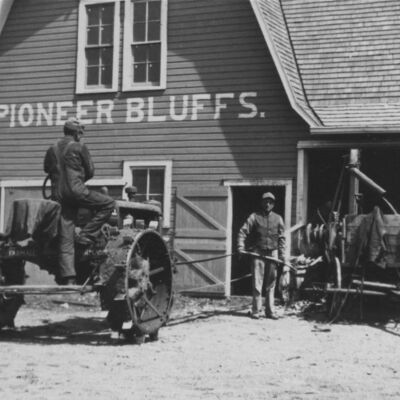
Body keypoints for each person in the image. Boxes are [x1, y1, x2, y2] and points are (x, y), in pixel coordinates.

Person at [43, 118, 115, 285]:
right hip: (77, 191)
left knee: (66, 238)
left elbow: (47, 169)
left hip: (58, 196)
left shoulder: (52, 148)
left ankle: (69, 278)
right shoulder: (79, 147)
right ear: (76, 133)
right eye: (80, 133)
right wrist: (77, 177)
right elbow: (90, 171)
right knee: (108, 204)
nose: (80, 136)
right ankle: (86, 236)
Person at [237, 192, 287, 319]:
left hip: (273, 252)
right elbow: (243, 231)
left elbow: (282, 238)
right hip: (258, 252)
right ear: (262, 203)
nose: (268, 204)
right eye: (265, 201)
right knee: (257, 283)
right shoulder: (254, 217)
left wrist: (283, 255)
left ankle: (270, 311)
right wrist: (240, 246)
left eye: (270, 202)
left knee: (271, 283)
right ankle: (256, 311)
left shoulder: (278, 218)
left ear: (273, 204)